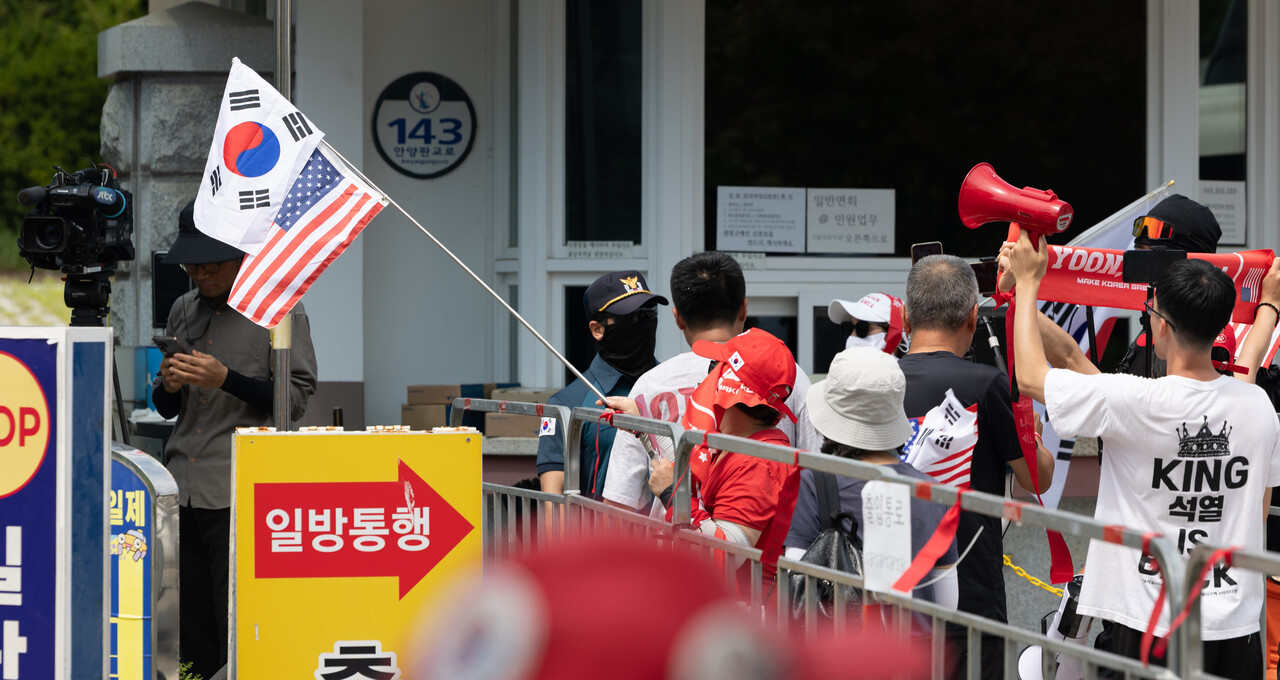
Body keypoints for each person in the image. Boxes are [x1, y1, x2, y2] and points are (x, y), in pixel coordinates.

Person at [1003, 230, 1280, 680]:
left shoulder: (1136, 402)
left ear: (1162, 326)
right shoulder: (1258, 408)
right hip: (1236, 624)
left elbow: (1036, 377)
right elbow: (1260, 504)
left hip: (1149, 620)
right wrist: (1268, 307)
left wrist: (1028, 282)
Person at [152, 200, 317, 680]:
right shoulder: (183, 307)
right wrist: (170, 385)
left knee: (237, 621)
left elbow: (296, 398)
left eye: (210, 263)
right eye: (191, 264)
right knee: (189, 621)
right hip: (182, 483)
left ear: (240, 255)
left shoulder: (279, 309)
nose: (199, 273)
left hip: (239, 488)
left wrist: (225, 378)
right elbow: (167, 408)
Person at [897, 253, 1054, 678]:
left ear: (907, 319)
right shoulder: (986, 385)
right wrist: (1032, 433)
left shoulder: (881, 381)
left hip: (889, 591)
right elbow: (1036, 479)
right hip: (971, 594)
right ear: (972, 318)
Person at [600, 251, 821, 513]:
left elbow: (618, 503)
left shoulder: (650, 384)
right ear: (743, 309)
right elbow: (815, 477)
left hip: (674, 547)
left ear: (678, 317)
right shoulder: (788, 374)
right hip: (765, 546)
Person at [784, 347, 958, 629]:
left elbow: (797, 577)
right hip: (917, 659)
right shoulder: (934, 491)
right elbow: (948, 603)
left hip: (841, 653)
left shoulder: (814, 480)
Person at [644, 328, 801, 587]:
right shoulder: (735, 441)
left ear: (729, 382)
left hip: (743, 615)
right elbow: (683, 466)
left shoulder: (758, 462)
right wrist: (641, 424)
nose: (710, 372)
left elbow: (724, 554)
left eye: (718, 365)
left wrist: (672, 493)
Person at [536, 270, 667, 498]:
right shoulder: (566, 403)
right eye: (630, 317)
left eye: (648, 314)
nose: (643, 323)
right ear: (597, 329)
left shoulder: (674, 385)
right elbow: (553, 501)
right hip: (607, 532)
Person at [1117, 193, 1223, 377]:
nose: (1143, 267)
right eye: (1139, 253)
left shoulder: (1213, 340)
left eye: (1150, 257)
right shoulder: (1148, 330)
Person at [826, 292, 906, 354]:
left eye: (862, 327)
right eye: (848, 328)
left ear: (896, 334)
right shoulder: (840, 372)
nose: (852, 336)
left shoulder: (906, 374)